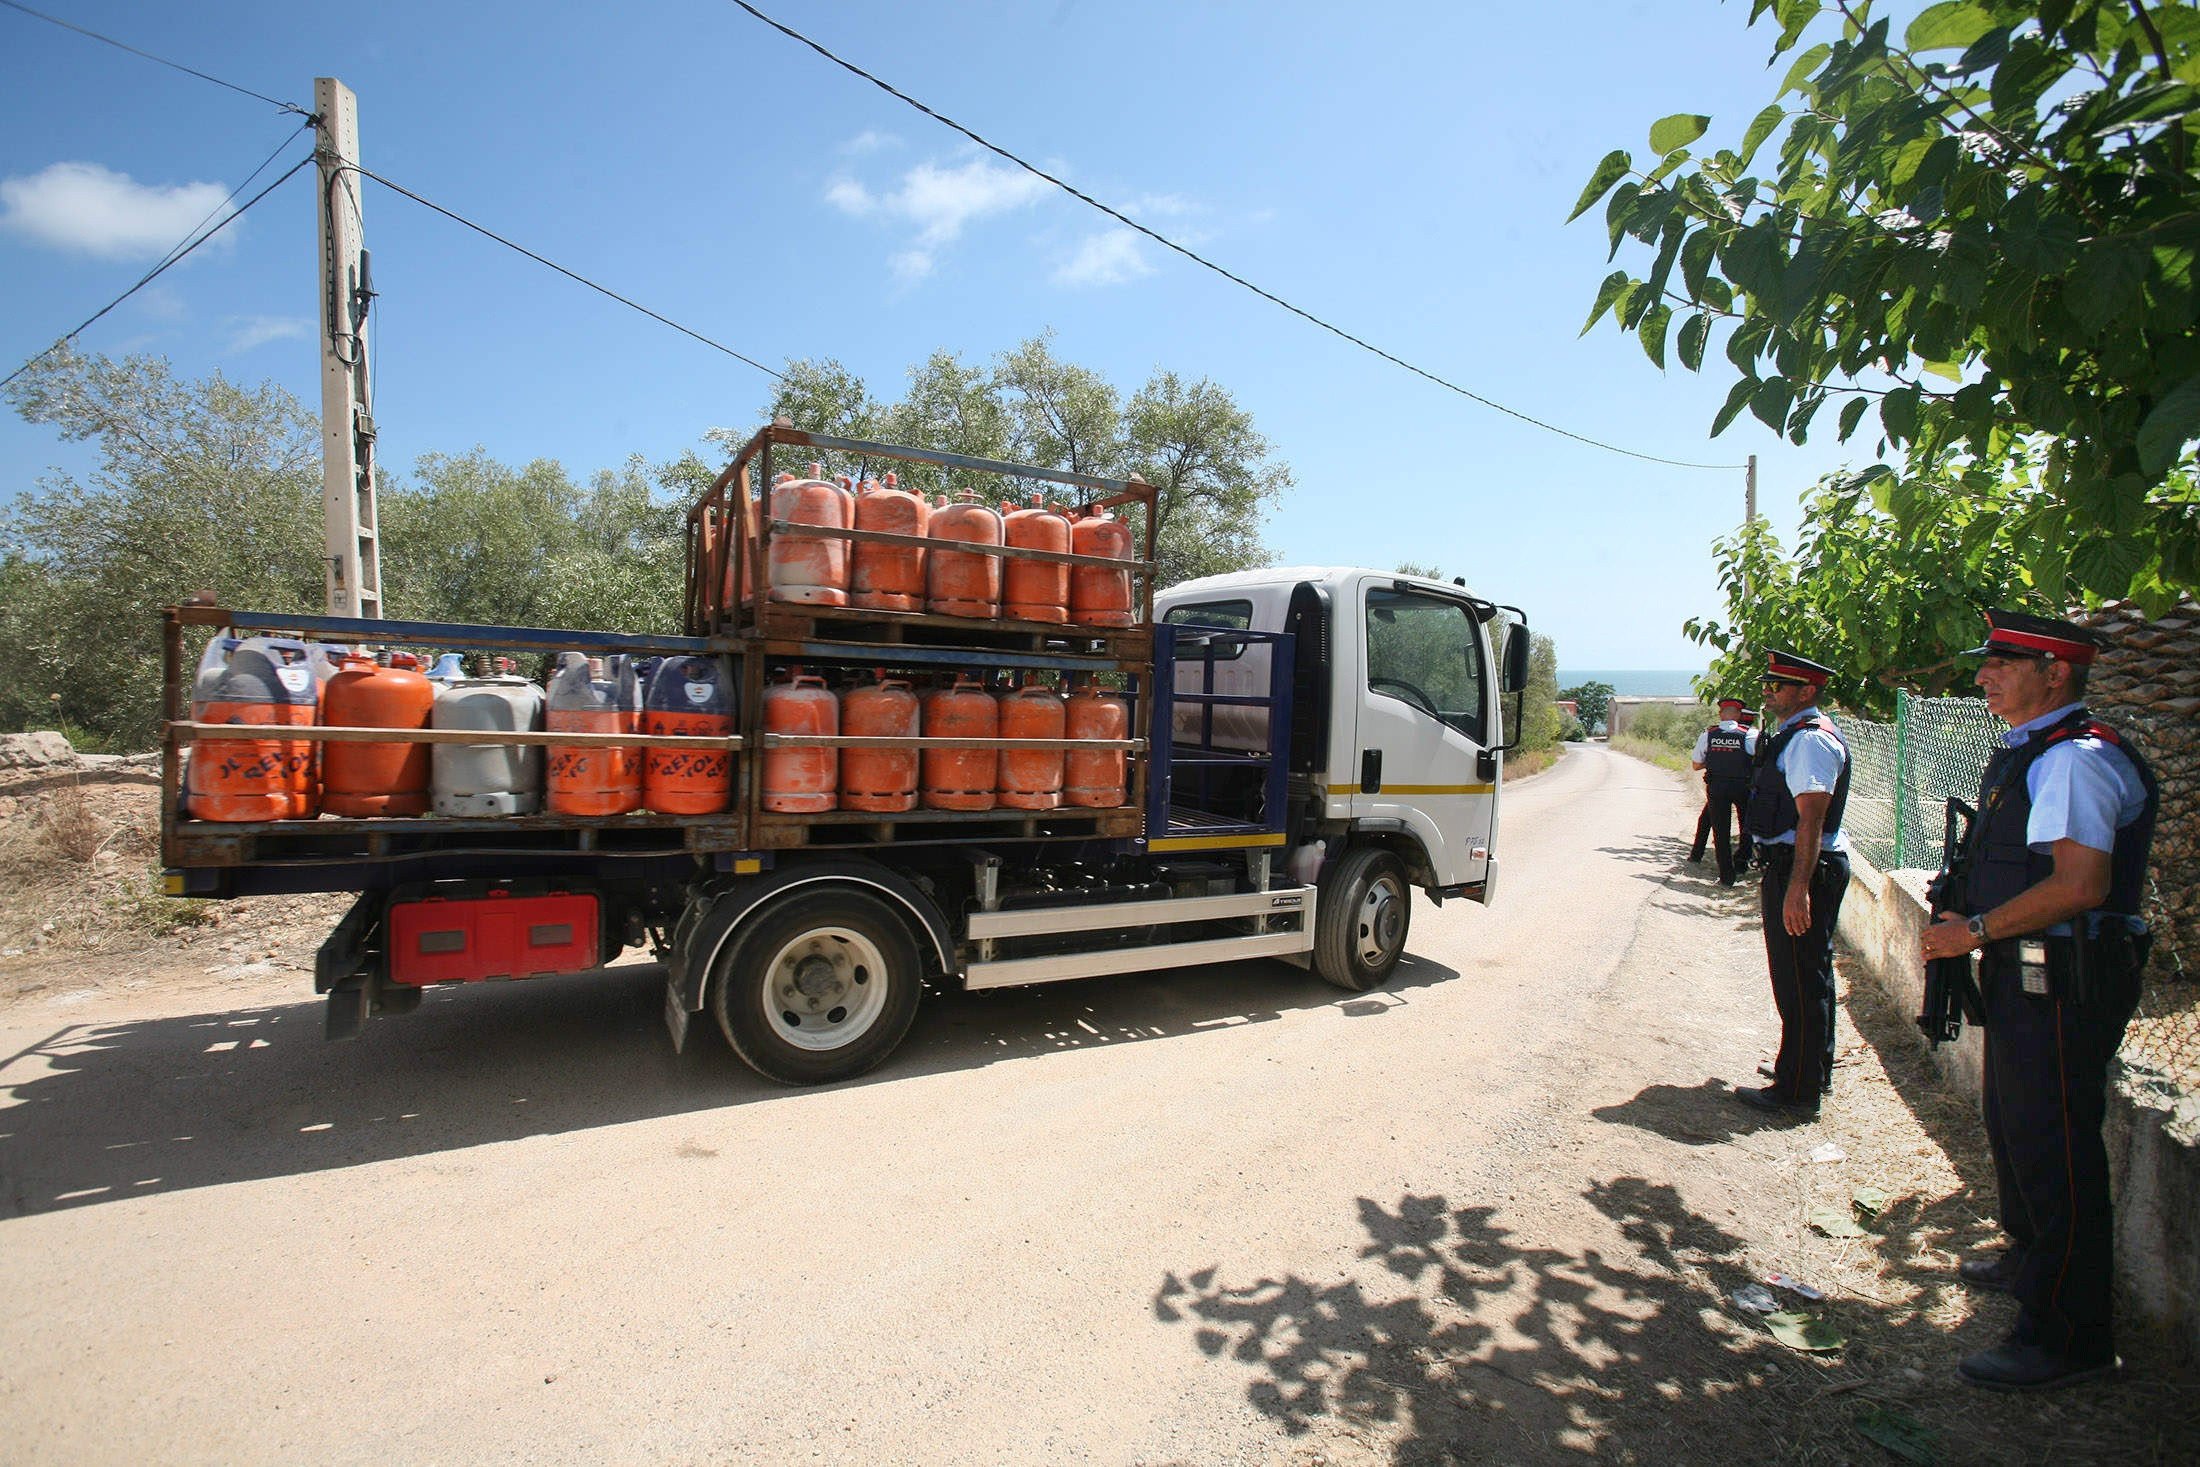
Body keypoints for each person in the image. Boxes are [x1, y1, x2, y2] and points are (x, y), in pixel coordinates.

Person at [1920, 609, 2158, 1393]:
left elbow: (2079, 884)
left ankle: (2067, 1333)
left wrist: (1975, 929)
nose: (1983, 675)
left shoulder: (2072, 762)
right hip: (2030, 973)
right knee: (2015, 1123)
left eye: (2004, 661)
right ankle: (2030, 1258)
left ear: (2056, 672)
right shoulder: (2033, 753)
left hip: (2065, 978)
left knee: (2054, 1144)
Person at [1733, 649, 1849, 1117]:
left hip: (1803, 868)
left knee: (1798, 977)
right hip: (1797, 865)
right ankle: (1806, 1066)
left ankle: (1797, 1091)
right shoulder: (1796, 736)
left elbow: (1811, 820)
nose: (1768, 691)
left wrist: (1797, 887)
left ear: (1807, 692)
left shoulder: (1809, 742)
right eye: (1770, 683)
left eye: (1779, 685)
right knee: (1808, 972)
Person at [1689, 697, 1757, 884]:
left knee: (1721, 831)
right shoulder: (1750, 734)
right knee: (1746, 826)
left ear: (1720, 714)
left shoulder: (1708, 735)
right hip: (1743, 786)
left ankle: (1727, 877)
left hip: (1717, 787)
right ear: (1739, 714)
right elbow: (1758, 760)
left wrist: (1713, 762)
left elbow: (1695, 765)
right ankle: (1742, 863)